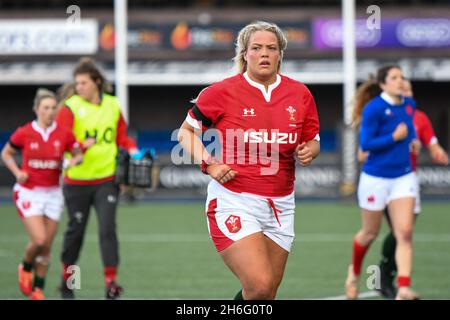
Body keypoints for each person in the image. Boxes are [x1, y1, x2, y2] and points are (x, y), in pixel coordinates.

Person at [177, 21, 320, 300]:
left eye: (271, 48)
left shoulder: (300, 94)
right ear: (245, 54)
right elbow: (186, 133)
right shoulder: (221, 92)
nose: (264, 54)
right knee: (260, 284)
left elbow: (312, 140)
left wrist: (310, 150)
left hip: (282, 205)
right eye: (257, 48)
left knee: (263, 295)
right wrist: (210, 164)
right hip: (234, 200)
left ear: (280, 54)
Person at [56, 58, 138, 299]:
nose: (78, 86)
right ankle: (68, 282)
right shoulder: (70, 107)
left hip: (106, 179)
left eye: (83, 82)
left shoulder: (112, 105)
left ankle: (111, 284)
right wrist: (80, 147)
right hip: (77, 182)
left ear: (97, 82)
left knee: (107, 230)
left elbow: (121, 137)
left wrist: (134, 150)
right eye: (77, 83)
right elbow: (60, 142)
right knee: (76, 233)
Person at [345, 65, 422, 300]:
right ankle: (354, 274)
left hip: (403, 176)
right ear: (383, 84)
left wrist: (413, 140)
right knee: (370, 233)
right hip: (375, 178)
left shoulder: (409, 105)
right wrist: (394, 138)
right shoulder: (374, 109)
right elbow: (366, 144)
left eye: (402, 77)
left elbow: (408, 131)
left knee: (404, 233)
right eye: (395, 77)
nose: (400, 81)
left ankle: (404, 288)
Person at [1, 89, 84, 300]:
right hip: (29, 193)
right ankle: (25, 265)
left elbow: (78, 155)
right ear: (36, 109)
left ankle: (37, 290)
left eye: (53, 108)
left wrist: (70, 162)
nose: (50, 112)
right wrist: (17, 172)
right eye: (45, 108)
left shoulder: (64, 133)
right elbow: (6, 153)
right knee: (38, 240)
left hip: (53, 194)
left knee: (46, 248)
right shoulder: (25, 132)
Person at [373, 80, 448, 299]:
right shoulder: (382, 114)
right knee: (401, 233)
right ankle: (390, 279)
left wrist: (437, 151)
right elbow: (366, 147)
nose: (406, 92)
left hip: (408, 179)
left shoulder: (419, 117)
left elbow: (432, 142)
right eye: (402, 89)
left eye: (409, 89)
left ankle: (384, 273)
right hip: (385, 178)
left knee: (402, 232)